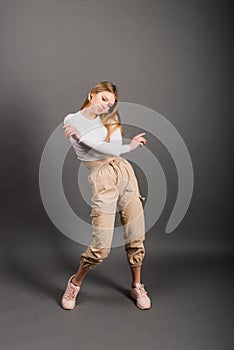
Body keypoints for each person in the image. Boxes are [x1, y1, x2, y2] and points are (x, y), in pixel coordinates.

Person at [61, 81, 151, 310]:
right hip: (101, 177)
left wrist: (124, 147)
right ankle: (75, 282)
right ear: (92, 94)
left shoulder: (109, 119)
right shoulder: (72, 120)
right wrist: (124, 146)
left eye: (110, 103)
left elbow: (111, 148)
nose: (106, 106)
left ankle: (137, 285)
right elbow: (92, 151)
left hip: (124, 172)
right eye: (103, 99)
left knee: (135, 232)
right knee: (102, 246)